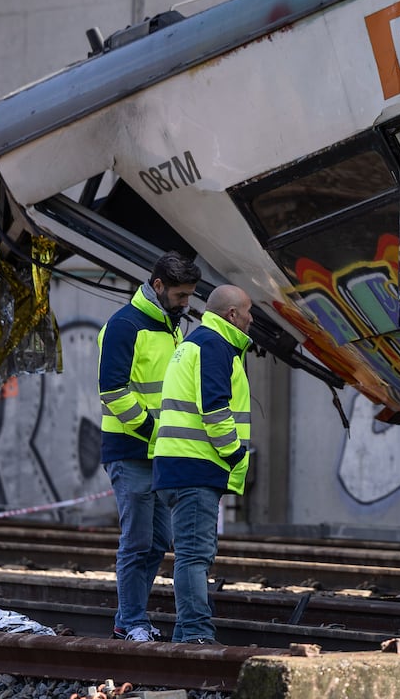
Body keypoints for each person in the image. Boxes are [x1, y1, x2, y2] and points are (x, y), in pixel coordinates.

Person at [97, 251, 201, 642]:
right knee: (137, 540)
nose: (186, 302)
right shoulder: (125, 326)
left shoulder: (168, 323)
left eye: (189, 295)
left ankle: (129, 618)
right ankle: (133, 621)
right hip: (131, 450)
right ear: (158, 287)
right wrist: (156, 432)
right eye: (181, 295)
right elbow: (113, 393)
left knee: (156, 539)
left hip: (158, 453)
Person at [153, 284, 253, 644]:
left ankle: (185, 633)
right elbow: (215, 412)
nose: (251, 319)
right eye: (248, 311)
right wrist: (237, 454)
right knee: (194, 557)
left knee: (190, 556)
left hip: (178, 466)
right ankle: (195, 633)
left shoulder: (193, 344)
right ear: (232, 315)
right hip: (195, 468)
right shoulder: (214, 346)